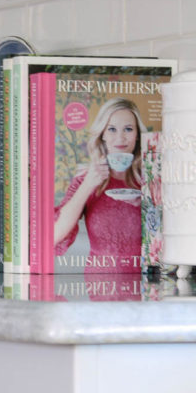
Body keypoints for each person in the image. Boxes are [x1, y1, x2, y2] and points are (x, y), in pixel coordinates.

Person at [53, 97, 146, 271]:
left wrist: (147, 206)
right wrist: (88, 184)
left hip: (145, 280)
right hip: (100, 282)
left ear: (137, 136)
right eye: (112, 129)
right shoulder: (85, 179)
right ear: (102, 134)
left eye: (128, 129)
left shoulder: (150, 178)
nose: (120, 137)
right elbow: (54, 235)